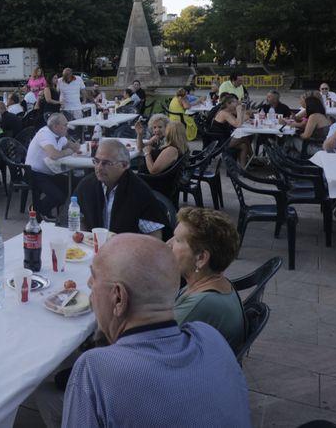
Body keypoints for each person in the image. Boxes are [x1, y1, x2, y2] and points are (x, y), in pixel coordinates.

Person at [43, 234, 251, 427]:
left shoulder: (95, 368)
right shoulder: (209, 336)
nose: (89, 284)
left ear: (118, 298)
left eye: (93, 277)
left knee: (43, 390)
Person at [168, 207, 246, 350]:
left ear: (201, 258)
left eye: (178, 240)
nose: (169, 244)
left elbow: (153, 345)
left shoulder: (201, 303)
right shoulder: (210, 282)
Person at [75, 138, 170, 234]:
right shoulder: (86, 186)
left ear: (124, 165)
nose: (99, 167)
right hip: (92, 246)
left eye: (106, 163)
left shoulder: (139, 192)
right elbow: (78, 218)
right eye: (96, 161)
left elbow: (154, 235)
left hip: (128, 247)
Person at [23, 113, 78, 221]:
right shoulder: (45, 134)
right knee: (59, 196)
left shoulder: (59, 135)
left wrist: (74, 146)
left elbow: (69, 144)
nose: (67, 127)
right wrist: (69, 151)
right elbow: (53, 155)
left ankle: (55, 212)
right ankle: (37, 209)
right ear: (55, 126)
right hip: (34, 173)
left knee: (74, 184)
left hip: (50, 171)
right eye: (65, 125)